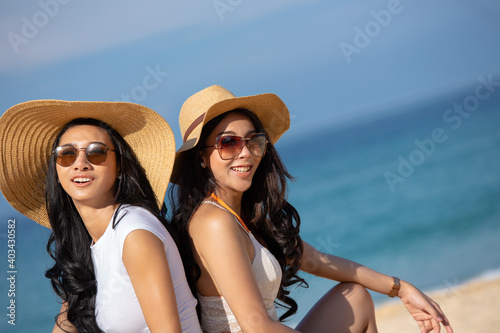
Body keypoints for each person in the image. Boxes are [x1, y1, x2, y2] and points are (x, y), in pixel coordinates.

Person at [169, 85, 454, 333]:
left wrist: (401, 289)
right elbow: (257, 327)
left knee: (355, 296)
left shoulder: (243, 218)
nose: (245, 152)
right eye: (228, 143)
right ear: (202, 158)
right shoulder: (213, 222)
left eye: (253, 140)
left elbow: (316, 261)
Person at [0, 100, 202, 333]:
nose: (80, 164)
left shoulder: (134, 233)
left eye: (96, 152)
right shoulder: (87, 246)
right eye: (66, 155)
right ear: (55, 172)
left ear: (121, 167)